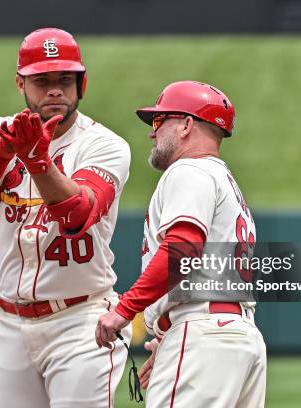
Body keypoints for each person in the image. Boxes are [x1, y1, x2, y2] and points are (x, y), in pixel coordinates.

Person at [0, 28, 131, 408]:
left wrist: (36, 160)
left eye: (65, 79)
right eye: (42, 80)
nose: (55, 90)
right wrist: (5, 147)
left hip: (81, 320)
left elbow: (78, 214)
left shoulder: (103, 144)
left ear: (82, 84)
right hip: (10, 323)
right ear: (21, 83)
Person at [95, 81, 267, 407]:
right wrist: (165, 335)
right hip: (240, 338)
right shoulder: (225, 182)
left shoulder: (189, 171)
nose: (152, 132)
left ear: (187, 124)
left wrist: (124, 309)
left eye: (160, 122)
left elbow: (183, 248)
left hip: (204, 336)